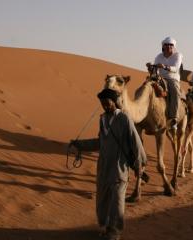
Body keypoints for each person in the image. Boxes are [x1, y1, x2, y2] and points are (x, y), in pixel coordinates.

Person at [70, 88, 147, 240]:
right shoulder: (102, 119)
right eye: (102, 103)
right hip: (104, 167)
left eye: (107, 103)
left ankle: (115, 231)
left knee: (117, 200)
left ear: (114, 102)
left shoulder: (124, 119)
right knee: (102, 199)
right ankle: (104, 226)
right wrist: (80, 144)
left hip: (119, 168)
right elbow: (101, 142)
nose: (105, 105)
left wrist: (139, 164)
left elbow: (135, 142)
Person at [146, 36, 183, 130]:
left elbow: (175, 68)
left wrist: (165, 67)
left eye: (171, 45)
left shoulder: (178, 55)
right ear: (163, 46)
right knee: (146, 85)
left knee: (175, 91)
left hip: (172, 79)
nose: (169, 46)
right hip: (159, 77)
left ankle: (174, 118)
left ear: (174, 46)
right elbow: (155, 70)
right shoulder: (159, 56)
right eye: (166, 45)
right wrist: (151, 68)